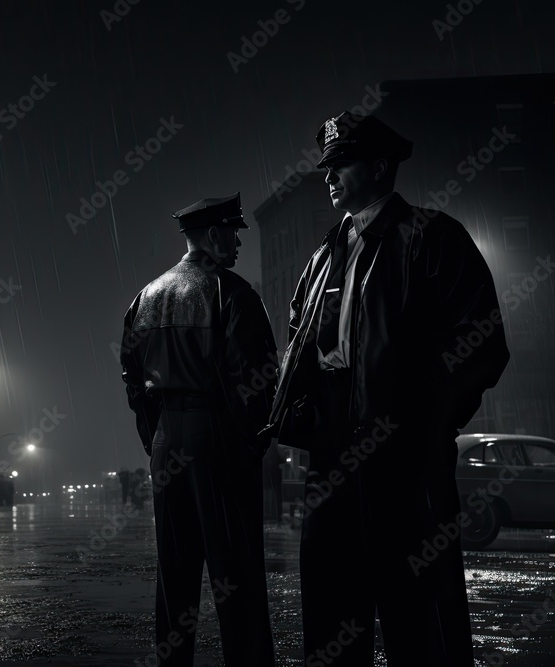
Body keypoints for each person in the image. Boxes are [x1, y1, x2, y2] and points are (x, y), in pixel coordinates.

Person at [264, 112, 510, 665]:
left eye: (340, 164)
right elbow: (300, 347)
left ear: (378, 167)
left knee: (418, 614)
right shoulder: (322, 257)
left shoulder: (432, 236)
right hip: (331, 458)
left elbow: (483, 342)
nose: (327, 176)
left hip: (405, 457)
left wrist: (425, 422)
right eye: (326, 166)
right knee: (331, 608)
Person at [121, 193, 277, 666]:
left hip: (168, 438)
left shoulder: (147, 295)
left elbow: (133, 379)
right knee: (238, 574)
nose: (238, 243)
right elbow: (257, 381)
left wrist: (158, 438)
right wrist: (250, 443)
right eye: (233, 233)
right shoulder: (233, 293)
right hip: (218, 437)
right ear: (212, 236)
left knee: (175, 573)